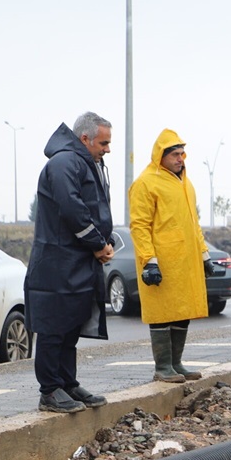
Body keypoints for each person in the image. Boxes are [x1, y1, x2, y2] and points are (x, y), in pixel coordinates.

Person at [25, 112, 115, 414]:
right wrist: (98, 244)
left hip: (78, 263)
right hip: (57, 264)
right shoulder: (64, 163)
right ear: (85, 138)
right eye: (104, 143)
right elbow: (72, 209)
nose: (107, 149)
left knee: (72, 325)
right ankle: (50, 390)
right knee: (54, 327)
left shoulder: (89, 164)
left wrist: (107, 241)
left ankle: (67, 382)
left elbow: (96, 210)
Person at [128, 130, 211, 383]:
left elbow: (193, 223)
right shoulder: (146, 183)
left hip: (185, 260)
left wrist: (204, 254)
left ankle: (176, 364)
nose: (180, 159)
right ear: (160, 156)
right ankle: (162, 367)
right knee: (162, 312)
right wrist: (149, 260)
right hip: (162, 260)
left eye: (182, 154)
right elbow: (139, 225)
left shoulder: (186, 183)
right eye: (174, 154)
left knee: (182, 310)